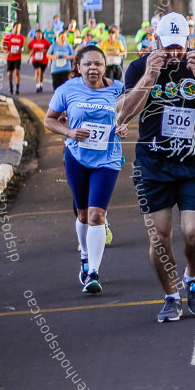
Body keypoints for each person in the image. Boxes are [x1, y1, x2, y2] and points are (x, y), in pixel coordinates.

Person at [118, 12, 195, 323]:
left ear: (188, 42)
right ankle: (171, 296)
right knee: (159, 236)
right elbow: (122, 114)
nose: (173, 53)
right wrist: (149, 78)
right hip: (152, 165)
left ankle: (192, 278)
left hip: (193, 163)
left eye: (178, 47)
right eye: (167, 46)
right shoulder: (139, 67)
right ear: (155, 39)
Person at [44, 46, 127, 294]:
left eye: (98, 64)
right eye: (88, 64)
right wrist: (69, 132)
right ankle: (84, 254)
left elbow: (128, 116)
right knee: (82, 215)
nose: (93, 68)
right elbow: (49, 119)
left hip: (107, 160)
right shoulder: (67, 90)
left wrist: (123, 127)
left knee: (96, 215)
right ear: (78, 67)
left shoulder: (119, 89)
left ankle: (93, 272)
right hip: (77, 158)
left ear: (105, 66)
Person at [1, 22, 25, 95]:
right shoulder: (8, 36)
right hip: (10, 57)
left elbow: (22, 47)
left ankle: (17, 87)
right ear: (13, 28)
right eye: (16, 27)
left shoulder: (21, 37)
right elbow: (3, 45)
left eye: (19, 28)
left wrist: (21, 50)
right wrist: (6, 52)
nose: (17, 29)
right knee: (10, 73)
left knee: (17, 72)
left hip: (18, 56)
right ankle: (11, 86)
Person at [27, 28, 51, 93]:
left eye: (40, 34)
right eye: (37, 34)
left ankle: (41, 84)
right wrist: (31, 52)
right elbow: (29, 47)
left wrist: (44, 50)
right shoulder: (33, 41)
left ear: (42, 35)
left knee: (42, 73)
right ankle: (37, 86)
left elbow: (50, 49)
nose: (38, 36)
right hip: (35, 59)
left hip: (44, 59)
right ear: (35, 35)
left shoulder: (45, 41)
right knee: (37, 71)